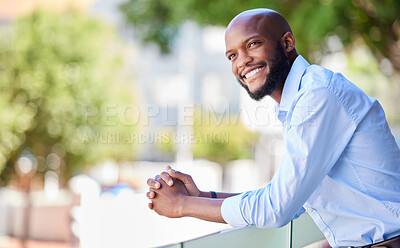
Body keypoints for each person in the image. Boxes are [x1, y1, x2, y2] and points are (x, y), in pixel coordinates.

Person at [146, 8, 400, 248]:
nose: (242, 62)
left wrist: (183, 206)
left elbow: (277, 208)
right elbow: (291, 198)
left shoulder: (318, 96)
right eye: (232, 55)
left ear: (287, 43)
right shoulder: (302, 98)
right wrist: (202, 196)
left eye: (253, 44)